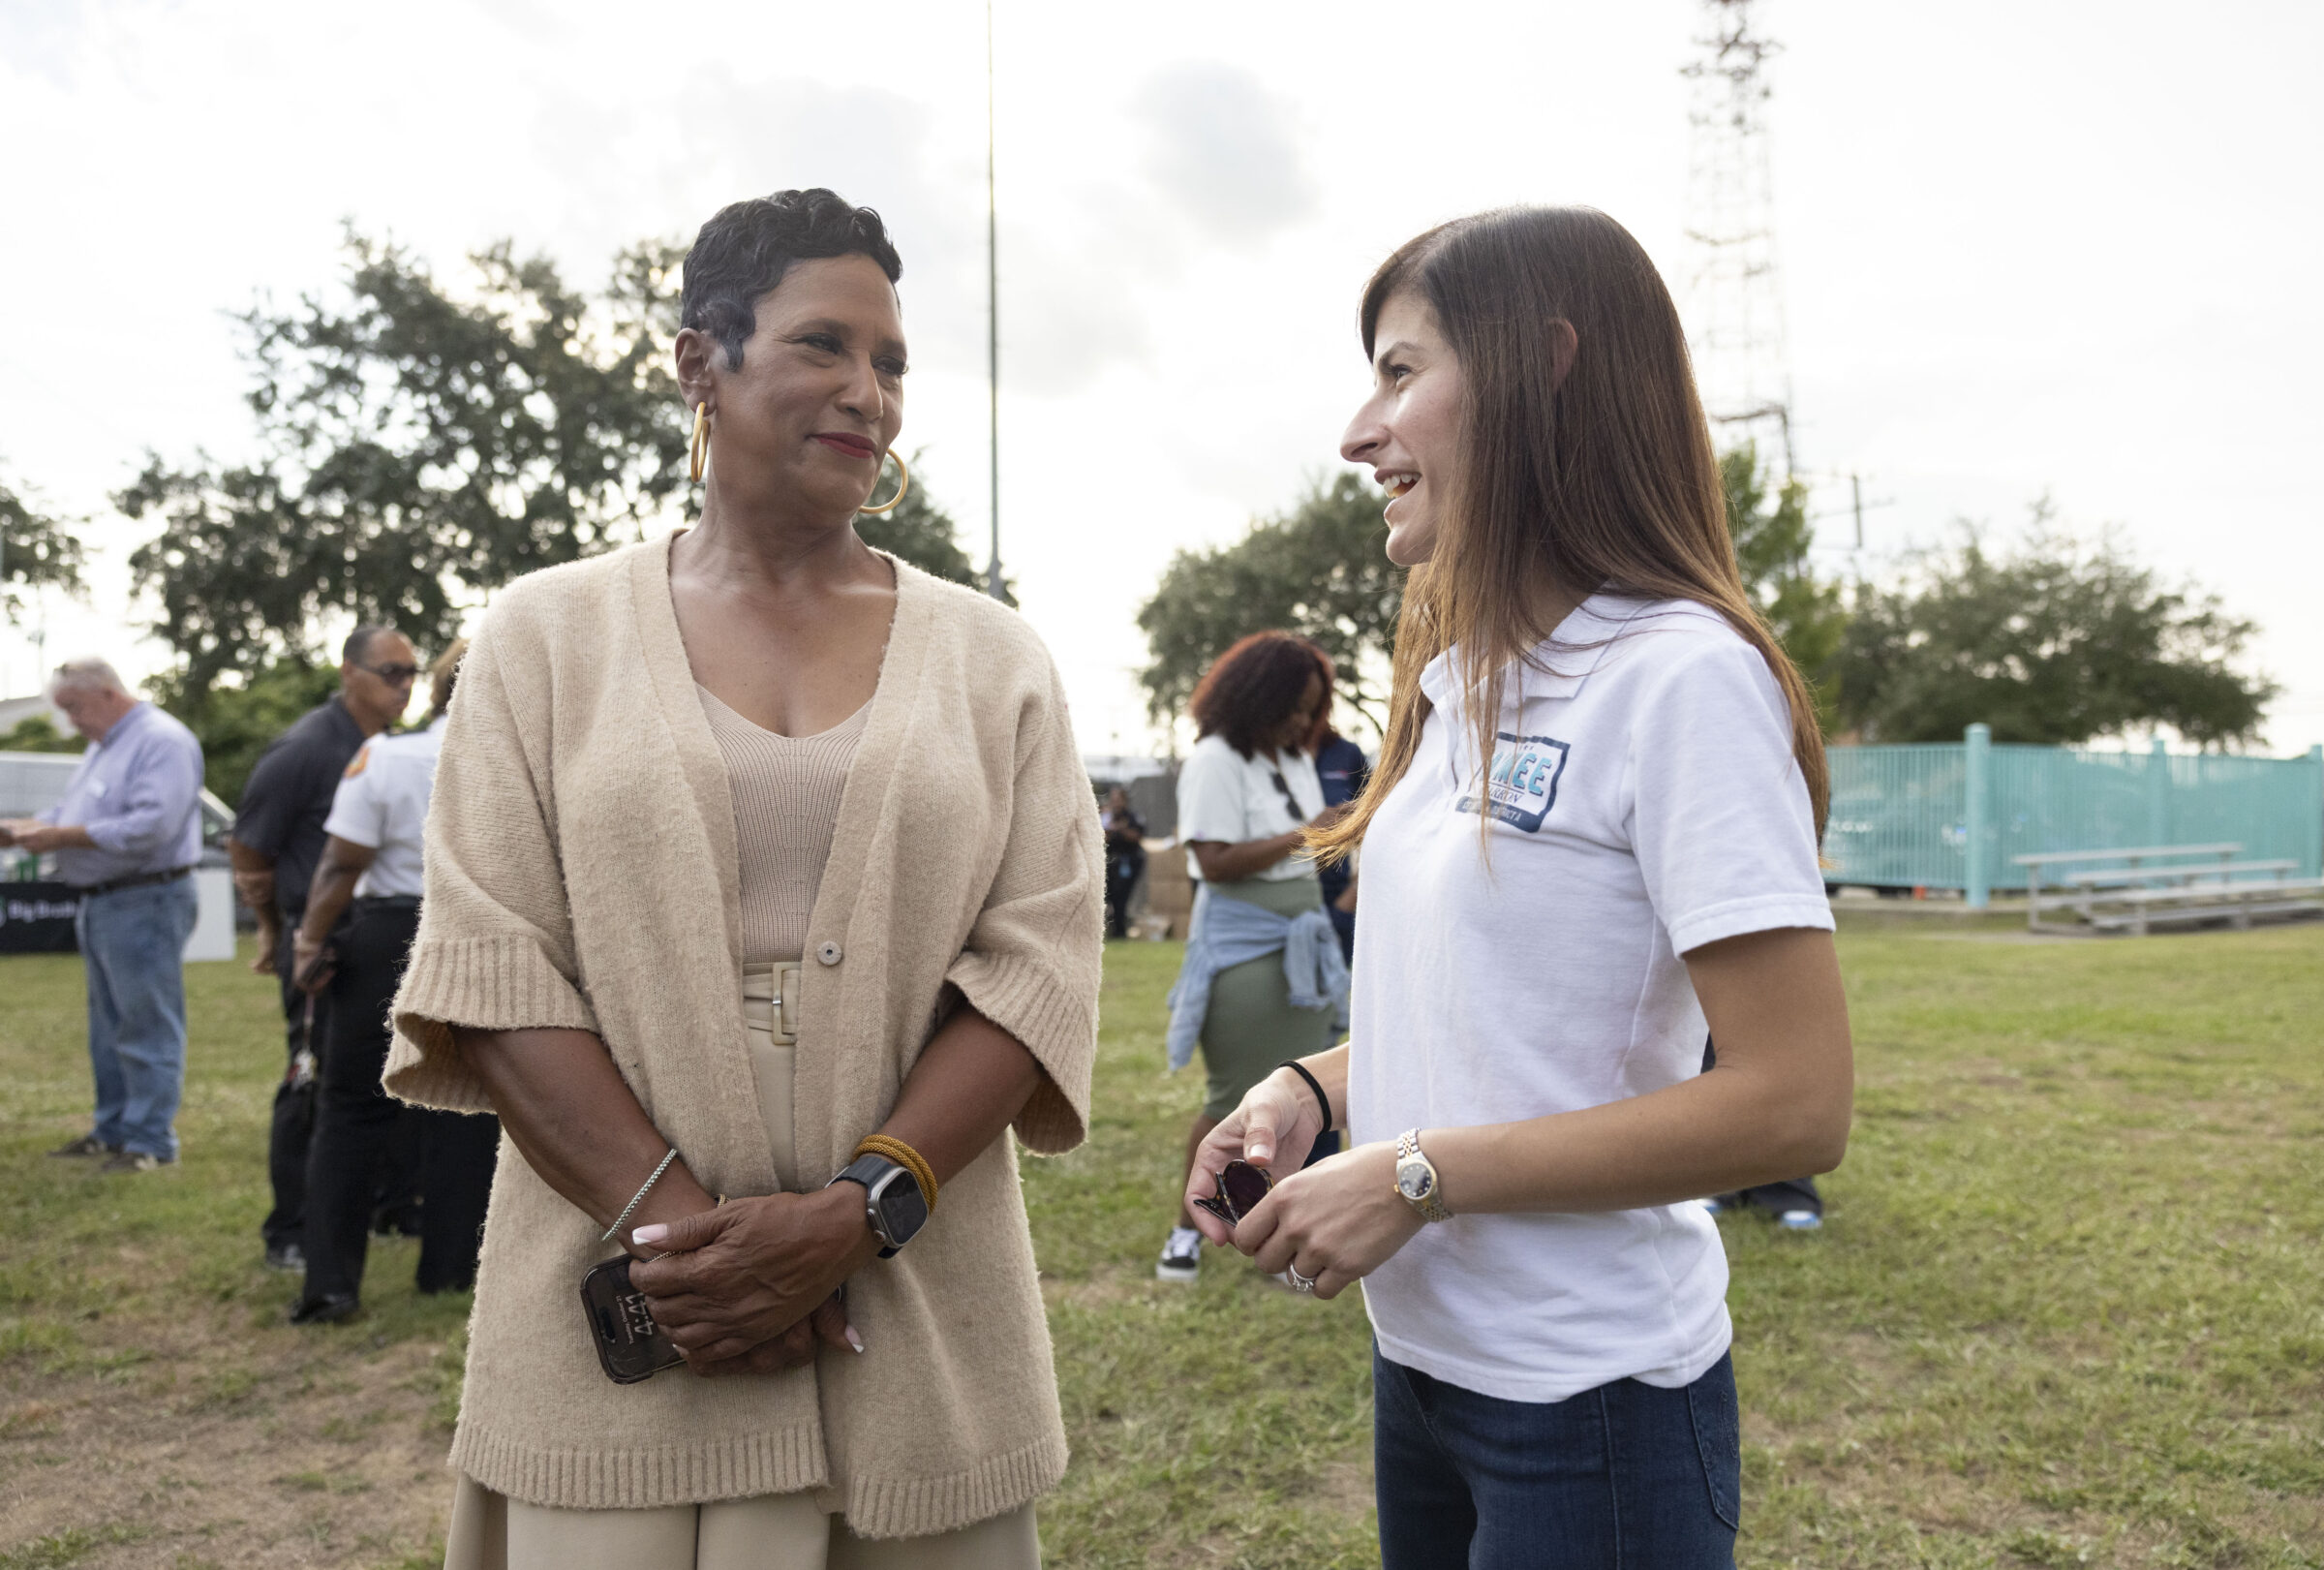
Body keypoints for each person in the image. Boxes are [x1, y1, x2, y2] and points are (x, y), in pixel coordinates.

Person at [380, 189, 1102, 1568]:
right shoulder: (543, 638)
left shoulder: (994, 658)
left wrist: (856, 1210)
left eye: (891, 364)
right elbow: (493, 962)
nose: (868, 394)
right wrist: (694, 1252)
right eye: (824, 345)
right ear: (697, 362)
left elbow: (1039, 963)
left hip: (914, 1304)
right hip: (634, 1328)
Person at [1185, 207, 1854, 1568]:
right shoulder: (1457, 683)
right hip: (1425, 1372)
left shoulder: (1680, 677)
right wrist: (1309, 1092)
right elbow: (1500, 1028)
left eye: (1397, 371)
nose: (1358, 433)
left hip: (1593, 1407)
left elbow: (1796, 1100)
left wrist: (1421, 1178)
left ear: (1544, 367)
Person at [287, 640, 499, 1324]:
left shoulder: (386, 755)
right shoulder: (514, 758)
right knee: (467, 1105)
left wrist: (310, 939)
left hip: (387, 929)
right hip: (477, 930)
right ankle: (450, 1269)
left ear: (434, 688)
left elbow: (342, 863)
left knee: (350, 1107)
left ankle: (330, 1282)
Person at [1155, 631, 1349, 1284]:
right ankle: (1186, 1233)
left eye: (1311, 708)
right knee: (1231, 1097)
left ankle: (1290, 1239)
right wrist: (1312, 828)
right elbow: (1213, 861)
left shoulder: (1294, 757)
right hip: (1246, 943)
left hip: (1306, 939)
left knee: (1304, 1100)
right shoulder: (1214, 758)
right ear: (1257, 697)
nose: (1302, 720)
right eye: (1293, 706)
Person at [229, 625, 421, 1273]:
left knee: (384, 1084)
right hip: (318, 947)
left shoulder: (389, 746)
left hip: (367, 940)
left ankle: (385, 1207)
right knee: (310, 1086)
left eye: (411, 672)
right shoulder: (306, 748)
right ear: (348, 672)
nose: (404, 685)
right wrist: (271, 928)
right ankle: (291, 1227)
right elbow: (248, 844)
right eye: (390, 672)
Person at [1, 660, 205, 1174]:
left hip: (145, 897)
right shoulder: (106, 747)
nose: (71, 722)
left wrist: (60, 838)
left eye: (74, 708)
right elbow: (74, 815)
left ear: (109, 694)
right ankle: (113, 1130)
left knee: (146, 1022)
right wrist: (25, 828)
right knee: (108, 1026)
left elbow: (152, 826)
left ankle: (151, 1142)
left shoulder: (163, 741)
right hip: (106, 899)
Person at [1308, 715, 1370, 965]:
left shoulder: (1348, 754)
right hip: (1285, 899)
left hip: (1338, 895)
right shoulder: (1271, 754)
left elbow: (1375, 820)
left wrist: (1354, 892)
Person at [1100, 785, 1147, 939]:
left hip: (1128, 862)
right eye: (1113, 800)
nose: (1116, 804)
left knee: (1122, 897)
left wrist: (1120, 830)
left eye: (1118, 800)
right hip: (1110, 862)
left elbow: (1137, 836)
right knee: (1110, 897)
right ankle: (1114, 930)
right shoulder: (1106, 817)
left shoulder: (1133, 817)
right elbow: (1101, 836)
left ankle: (1120, 931)